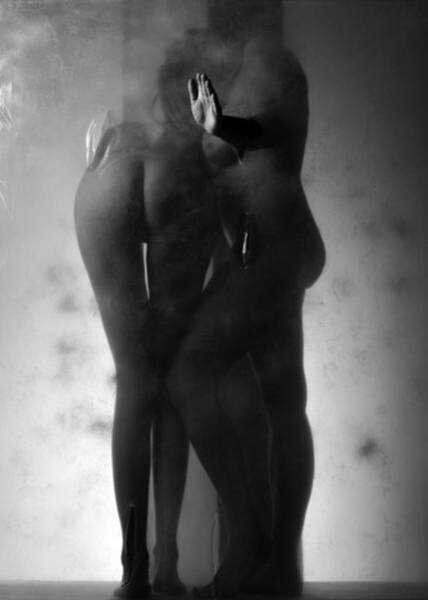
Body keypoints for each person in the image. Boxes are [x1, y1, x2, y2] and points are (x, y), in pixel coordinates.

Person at [74, 32, 271, 599]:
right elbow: (257, 148)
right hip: (177, 177)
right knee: (167, 380)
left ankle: (134, 570)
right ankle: (166, 564)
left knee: (135, 382)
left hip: (105, 167)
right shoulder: (214, 134)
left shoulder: (131, 123)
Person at [165, 37, 325, 597]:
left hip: (276, 254)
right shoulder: (217, 70)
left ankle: (254, 546)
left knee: (192, 375)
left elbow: (267, 131)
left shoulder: (270, 62)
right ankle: (274, 562)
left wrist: (222, 127)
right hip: (261, 258)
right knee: (283, 404)